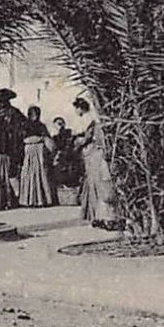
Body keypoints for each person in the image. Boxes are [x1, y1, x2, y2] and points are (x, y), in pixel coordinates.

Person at [74, 98, 118, 229]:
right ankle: (97, 215)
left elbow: (87, 137)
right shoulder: (89, 119)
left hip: (94, 154)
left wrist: (78, 144)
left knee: (99, 185)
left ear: (80, 108)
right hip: (92, 153)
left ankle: (100, 216)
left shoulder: (90, 120)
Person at [17, 105, 56, 208]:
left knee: (41, 172)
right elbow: (21, 139)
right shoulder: (24, 125)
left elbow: (46, 138)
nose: (35, 116)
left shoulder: (41, 126)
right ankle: (28, 199)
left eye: (36, 114)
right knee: (29, 173)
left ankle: (41, 199)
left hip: (39, 150)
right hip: (29, 150)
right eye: (33, 114)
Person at [50, 116, 82, 194]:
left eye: (60, 124)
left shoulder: (68, 133)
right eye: (58, 124)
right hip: (64, 158)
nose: (59, 126)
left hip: (69, 157)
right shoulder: (56, 137)